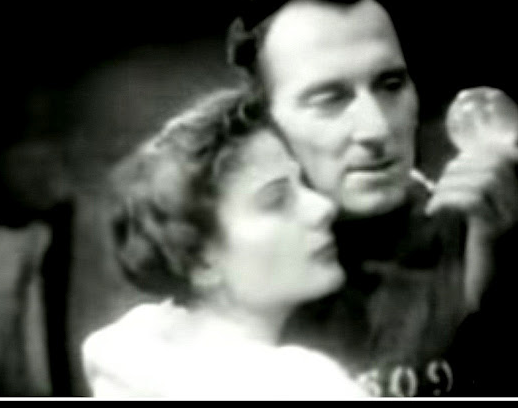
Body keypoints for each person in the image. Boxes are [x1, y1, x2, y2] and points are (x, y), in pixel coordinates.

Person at [226, 0, 518, 396]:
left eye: (390, 84)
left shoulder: (489, 237)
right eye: (329, 99)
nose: (376, 128)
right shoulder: (222, 278)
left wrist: (501, 291)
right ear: (265, 124)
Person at [81, 88, 371, 399]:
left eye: (303, 184)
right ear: (200, 259)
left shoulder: (129, 354)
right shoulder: (303, 384)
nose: (323, 207)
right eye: (276, 200)